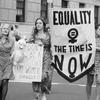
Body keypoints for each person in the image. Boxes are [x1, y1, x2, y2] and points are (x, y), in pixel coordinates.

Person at [29, 18, 52, 100]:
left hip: (46, 56)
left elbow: (52, 46)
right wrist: (34, 44)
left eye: (40, 23)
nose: (38, 24)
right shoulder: (33, 35)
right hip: (36, 57)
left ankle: (43, 93)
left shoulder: (48, 34)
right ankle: (37, 94)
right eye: (37, 23)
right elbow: (28, 45)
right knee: (36, 76)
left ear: (43, 25)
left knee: (44, 76)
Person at [0, 24, 15, 100]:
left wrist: (12, 55)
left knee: (5, 81)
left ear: (9, 30)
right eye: (4, 28)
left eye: (7, 29)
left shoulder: (12, 39)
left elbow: (13, 50)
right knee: (0, 82)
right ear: (1, 29)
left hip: (8, 62)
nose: (5, 30)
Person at [95, 24, 100, 100]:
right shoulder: (93, 39)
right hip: (96, 62)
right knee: (98, 81)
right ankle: (97, 96)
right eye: (99, 29)